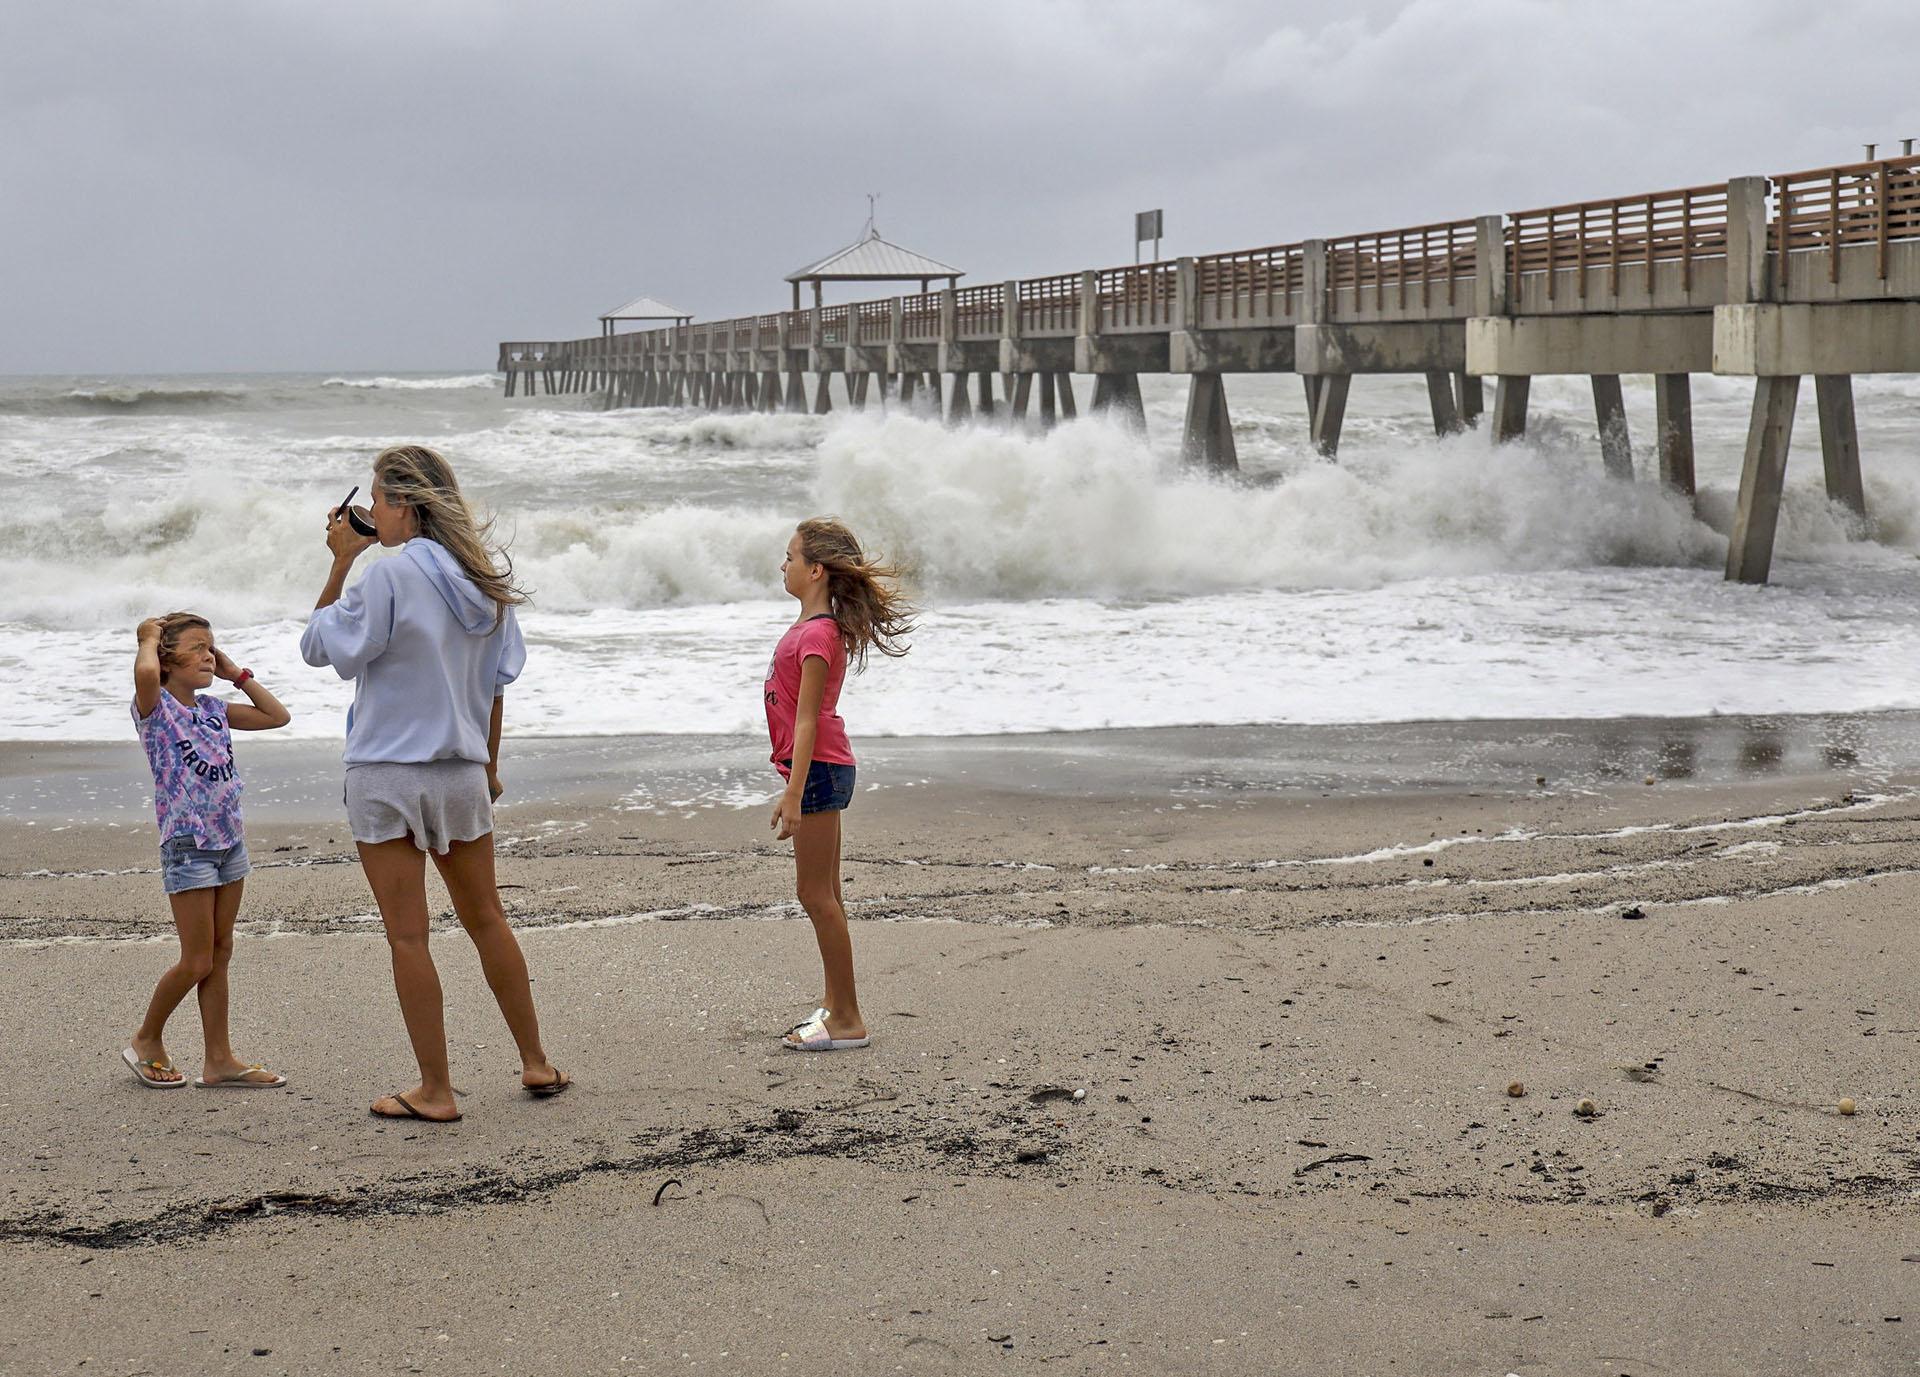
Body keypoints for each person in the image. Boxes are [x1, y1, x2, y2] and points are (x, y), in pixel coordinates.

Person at [300, 444, 567, 1123]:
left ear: (406, 506)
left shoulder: (387, 577)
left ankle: (436, 1088)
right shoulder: (486, 582)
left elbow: (318, 646)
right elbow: (498, 687)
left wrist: (341, 558)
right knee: (487, 918)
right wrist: (492, 766)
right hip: (462, 770)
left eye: (381, 503)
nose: (373, 516)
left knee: (409, 936)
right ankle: (535, 1058)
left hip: (388, 772)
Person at [765, 518, 915, 1052]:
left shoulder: (817, 634)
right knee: (826, 892)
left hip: (819, 770)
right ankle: (836, 1004)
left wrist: (793, 792)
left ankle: (849, 1017)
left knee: (813, 893)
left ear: (815, 570)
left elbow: (807, 720)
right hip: (822, 767)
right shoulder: (816, 629)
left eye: (789, 557)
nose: (782, 565)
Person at [125, 612, 292, 1089]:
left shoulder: (215, 709)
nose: (207, 655)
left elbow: (277, 716)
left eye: (211, 647)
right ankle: (147, 1038)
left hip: (228, 842)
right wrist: (149, 636)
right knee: (196, 959)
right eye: (198, 647)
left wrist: (236, 673)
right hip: (188, 846)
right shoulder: (155, 709)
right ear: (165, 661)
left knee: (220, 952)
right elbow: (142, 674)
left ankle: (218, 1059)